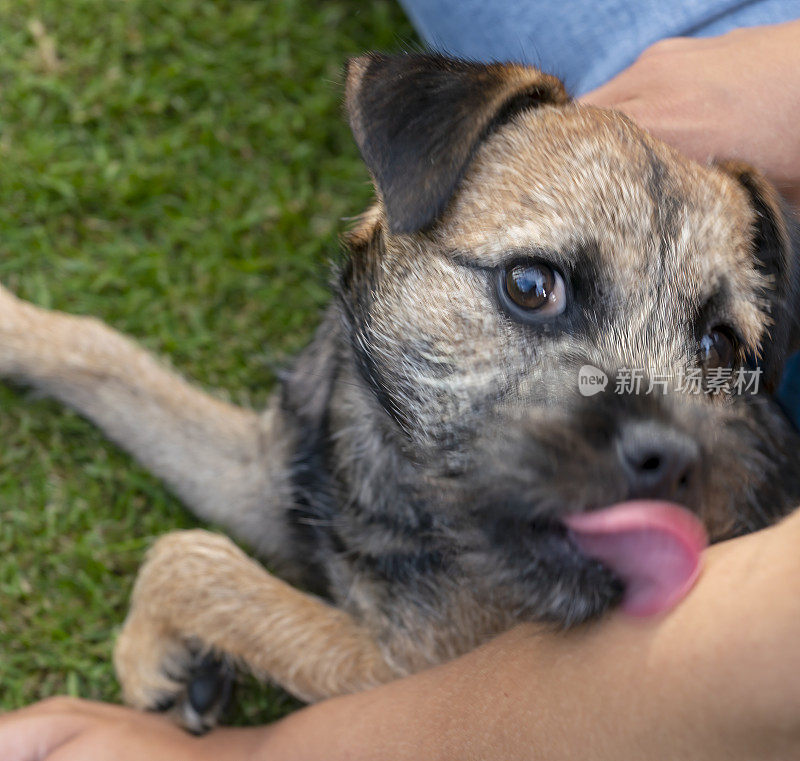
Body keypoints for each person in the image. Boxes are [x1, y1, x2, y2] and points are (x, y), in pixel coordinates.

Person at [3, 9, 800, 761]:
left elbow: (423, 679)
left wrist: (199, 588)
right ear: (393, 202)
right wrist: (56, 347)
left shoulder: (556, 539)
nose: (661, 429)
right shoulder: (373, 369)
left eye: (712, 345)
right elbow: (260, 470)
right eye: (534, 287)